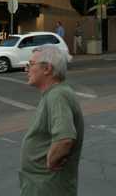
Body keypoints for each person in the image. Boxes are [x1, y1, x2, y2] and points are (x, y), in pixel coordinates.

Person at [20, 46, 84, 195]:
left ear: (47, 68)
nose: (26, 69)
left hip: (48, 187)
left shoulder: (58, 95)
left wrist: (51, 161)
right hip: (42, 184)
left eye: (31, 64)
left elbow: (65, 138)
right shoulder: (54, 94)